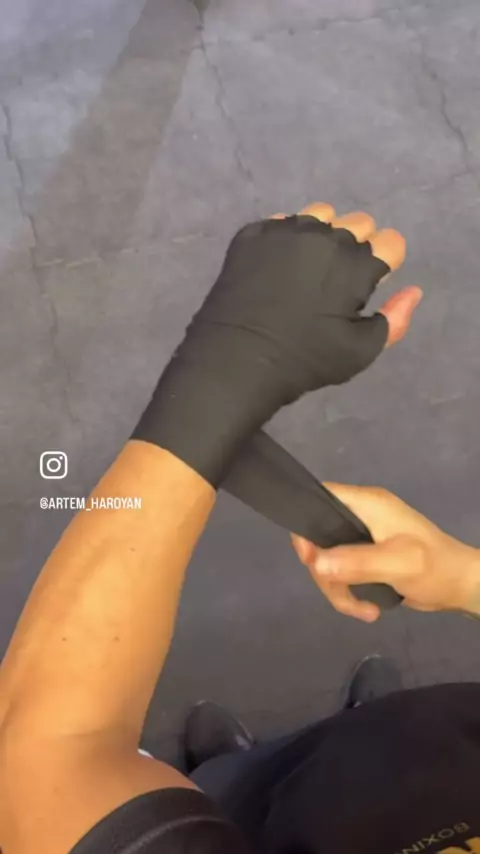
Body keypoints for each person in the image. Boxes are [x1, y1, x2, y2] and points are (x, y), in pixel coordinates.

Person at [0, 203, 478, 854]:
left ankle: (223, 769)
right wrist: (465, 581)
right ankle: (353, 727)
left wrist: (226, 371)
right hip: (442, 742)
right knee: (379, 740)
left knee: (224, 790)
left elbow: (44, 761)